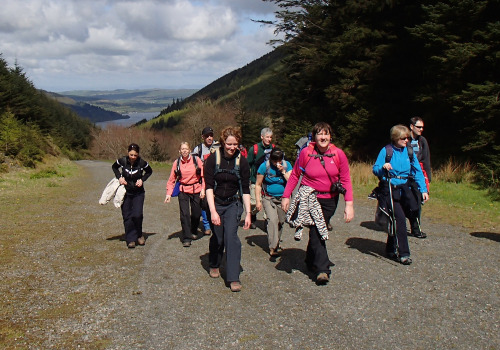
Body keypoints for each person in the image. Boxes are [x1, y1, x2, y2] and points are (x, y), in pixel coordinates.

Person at [281, 122, 354, 284]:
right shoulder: (306, 153)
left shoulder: (338, 154)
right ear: (314, 137)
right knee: (317, 230)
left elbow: (346, 179)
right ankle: (322, 269)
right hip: (310, 198)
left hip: (330, 200)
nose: (323, 137)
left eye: (326, 134)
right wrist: (286, 196)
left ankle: (310, 259)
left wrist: (349, 204)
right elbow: (295, 176)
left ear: (330, 136)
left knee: (316, 230)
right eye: (320, 134)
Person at [372, 125, 429, 265]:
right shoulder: (387, 151)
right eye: (403, 138)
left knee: (410, 213)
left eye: (408, 138)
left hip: (405, 188)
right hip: (390, 189)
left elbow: (417, 171)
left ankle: (390, 248)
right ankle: (404, 253)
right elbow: (375, 169)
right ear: (396, 138)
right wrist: (383, 167)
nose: (406, 140)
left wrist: (423, 190)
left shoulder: (409, 151)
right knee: (400, 220)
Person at [204, 126, 251, 292]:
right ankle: (214, 263)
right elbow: (208, 186)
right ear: (223, 143)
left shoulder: (242, 162)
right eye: (229, 144)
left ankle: (233, 277)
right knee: (218, 237)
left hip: (233, 204)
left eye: (235, 144)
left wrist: (248, 213)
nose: (232, 147)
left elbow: (245, 189)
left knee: (231, 237)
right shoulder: (212, 159)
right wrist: (213, 211)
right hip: (215, 201)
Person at [112, 143, 153, 249]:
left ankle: (139, 235)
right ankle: (130, 239)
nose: (133, 157)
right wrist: (119, 177)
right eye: (131, 155)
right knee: (127, 215)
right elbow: (114, 167)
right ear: (128, 153)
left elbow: (149, 171)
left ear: (138, 154)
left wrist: (142, 179)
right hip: (125, 192)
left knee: (137, 215)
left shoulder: (142, 163)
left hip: (138, 193)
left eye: (135, 155)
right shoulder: (122, 161)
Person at [165, 142, 205, 247]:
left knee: (196, 213)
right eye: (182, 149)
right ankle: (187, 237)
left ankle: (193, 229)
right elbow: (171, 180)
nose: (184, 151)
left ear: (190, 150)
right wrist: (168, 194)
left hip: (196, 189)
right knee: (184, 214)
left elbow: (204, 176)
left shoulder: (197, 160)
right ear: (179, 151)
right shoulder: (176, 163)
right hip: (183, 190)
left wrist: (203, 189)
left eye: (186, 149)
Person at [255, 147, 292, 257]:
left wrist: (283, 171)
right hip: (268, 198)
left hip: (283, 198)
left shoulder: (287, 165)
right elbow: (258, 184)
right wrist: (258, 201)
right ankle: (273, 247)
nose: (277, 163)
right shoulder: (264, 166)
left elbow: (291, 181)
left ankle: (276, 241)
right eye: (275, 160)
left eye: (279, 160)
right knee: (272, 220)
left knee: (281, 221)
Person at [409, 116, 431, 238]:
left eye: (422, 127)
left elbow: (426, 160)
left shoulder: (422, 141)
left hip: (419, 175)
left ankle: (416, 229)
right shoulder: (404, 140)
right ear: (411, 127)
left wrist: (428, 179)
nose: (421, 129)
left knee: (418, 201)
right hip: (406, 176)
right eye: (418, 127)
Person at [247, 127, 274, 229]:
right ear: (262, 137)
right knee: (254, 203)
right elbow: (248, 164)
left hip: (268, 181)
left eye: (270, 137)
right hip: (255, 179)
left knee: (269, 203)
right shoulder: (254, 149)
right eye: (267, 137)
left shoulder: (273, 148)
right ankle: (252, 216)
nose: (269, 139)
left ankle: (268, 221)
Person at [192, 126, 216, 236]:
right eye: (207, 136)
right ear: (203, 137)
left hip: (217, 179)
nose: (209, 138)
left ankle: (215, 222)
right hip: (203, 180)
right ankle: (206, 225)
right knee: (204, 203)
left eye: (211, 135)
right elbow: (192, 163)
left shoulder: (218, 147)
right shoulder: (198, 149)